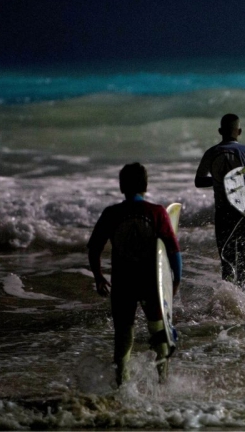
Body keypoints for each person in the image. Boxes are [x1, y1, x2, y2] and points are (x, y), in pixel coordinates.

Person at [88, 162, 182, 386]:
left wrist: (99, 277)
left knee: (123, 338)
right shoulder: (156, 212)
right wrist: (175, 281)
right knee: (159, 333)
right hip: (151, 284)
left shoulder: (112, 213)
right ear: (146, 185)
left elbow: (93, 248)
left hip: (123, 285)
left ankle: (122, 386)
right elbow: (173, 251)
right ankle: (163, 382)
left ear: (121, 186)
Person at [195, 113, 245, 287]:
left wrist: (219, 180)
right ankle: (241, 289)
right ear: (239, 131)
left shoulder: (211, 152)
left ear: (220, 131)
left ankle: (227, 292)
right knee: (243, 251)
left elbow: (198, 181)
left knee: (226, 255)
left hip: (223, 210)